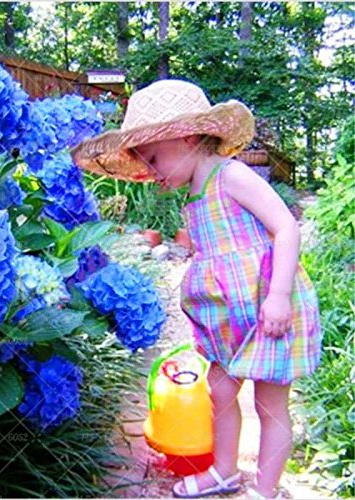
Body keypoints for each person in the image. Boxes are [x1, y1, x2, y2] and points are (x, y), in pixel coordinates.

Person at [70, 79, 323, 500]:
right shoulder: (194, 194)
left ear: (186, 136)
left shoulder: (232, 175)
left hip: (268, 308)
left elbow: (285, 227)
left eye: (153, 159)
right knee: (219, 391)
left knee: (269, 404)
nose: (150, 174)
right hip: (227, 317)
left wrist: (279, 296)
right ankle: (224, 470)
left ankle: (264, 489)